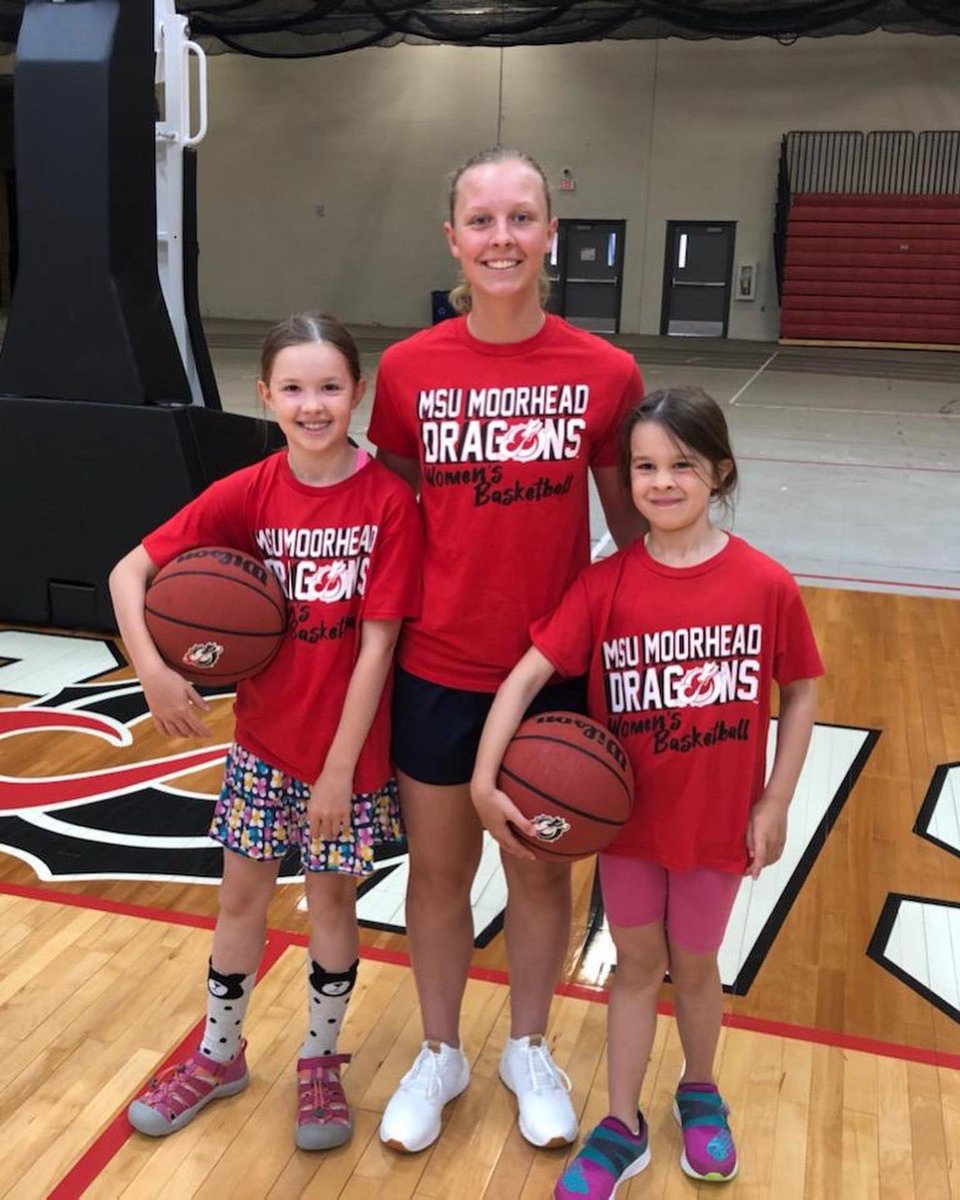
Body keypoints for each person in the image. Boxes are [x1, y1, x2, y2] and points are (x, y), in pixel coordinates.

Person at [471, 385, 823, 1197]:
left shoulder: (764, 585)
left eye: (682, 466)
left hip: (715, 827)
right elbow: (526, 675)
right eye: (644, 467)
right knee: (634, 967)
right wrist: (487, 781)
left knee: (696, 968)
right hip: (626, 829)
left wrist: (775, 799)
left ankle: (700, 1090)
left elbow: (800, 690)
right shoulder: (605, 585)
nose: (661, 483)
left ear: (719, 473)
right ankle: (621, 1124)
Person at [368, 146, 647, 1155]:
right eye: (480, 221)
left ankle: (529, 1047)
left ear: (551, 235)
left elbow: (631, 537)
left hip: (555, 675)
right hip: (437, 666)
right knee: (439, 876)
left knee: (538, 873)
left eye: (520, 218)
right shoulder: (406, 371)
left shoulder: (605, 372)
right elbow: (390, 518)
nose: (501, 238)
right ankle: (440, 1051)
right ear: (452, 238)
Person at [110, 314, 422, 1150]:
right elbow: (128, 571)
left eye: (329, 387)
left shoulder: (390, 502)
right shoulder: (251, 490)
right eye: (293, 388)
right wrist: (155, 666)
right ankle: (219, 1055)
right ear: (265, 397)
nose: (312, 404)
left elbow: (380, 642)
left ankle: (319, 1063)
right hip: (261, 747)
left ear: (357, 392)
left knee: (329, 904)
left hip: (345, 762)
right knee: (240, 899)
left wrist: (337, 771)